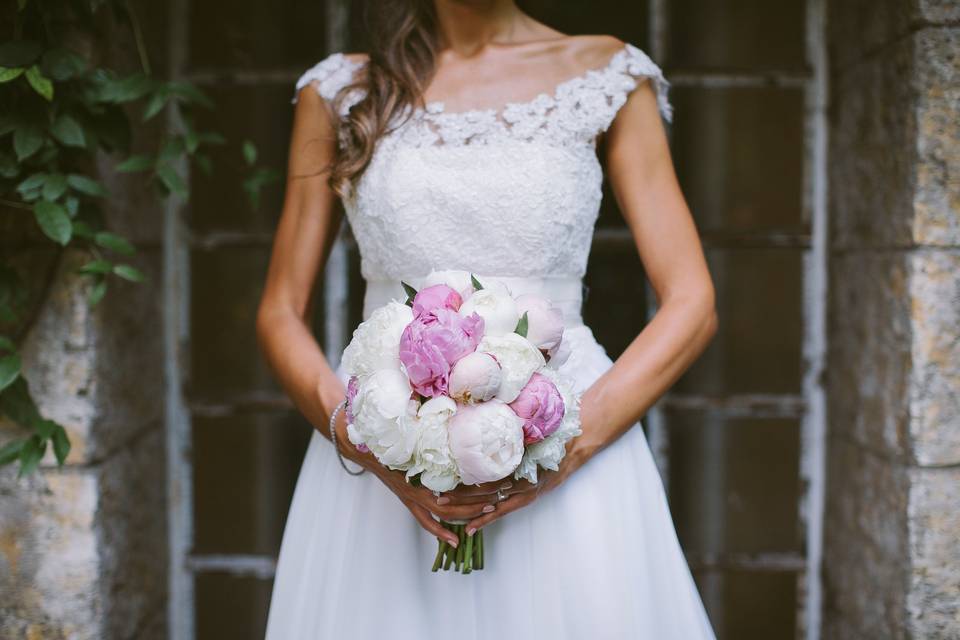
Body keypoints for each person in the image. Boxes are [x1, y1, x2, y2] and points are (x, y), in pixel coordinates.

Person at [256, 1, 718, 637]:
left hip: (565, 440)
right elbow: (279, 309)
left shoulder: (606, 73)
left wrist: (566, 449)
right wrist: (358, 435)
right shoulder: (342, 90)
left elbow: (692, 303)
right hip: (381, 455)